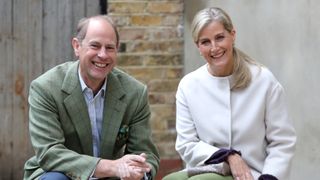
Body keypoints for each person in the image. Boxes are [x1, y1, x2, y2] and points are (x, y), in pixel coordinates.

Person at [163, 7, 296, 180]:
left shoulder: (264, 81)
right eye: (205, 42)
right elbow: (186, 144)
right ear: (198, 46)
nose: (214, 48)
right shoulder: (188, 86)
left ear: (232, 35)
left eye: (219, 37)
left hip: (252, 174)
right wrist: (228, 156)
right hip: (209, 168)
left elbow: (282, 141)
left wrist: (270, 177)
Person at [23, 15, 159, 180]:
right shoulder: (46, 88)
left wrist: (139, 171)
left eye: (109, 48)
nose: (102, 55)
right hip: (61, 174)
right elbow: (50, 153)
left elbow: (146, 153)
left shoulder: (135, 93)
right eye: (95, 46)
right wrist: (112, 166)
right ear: (77, 46)